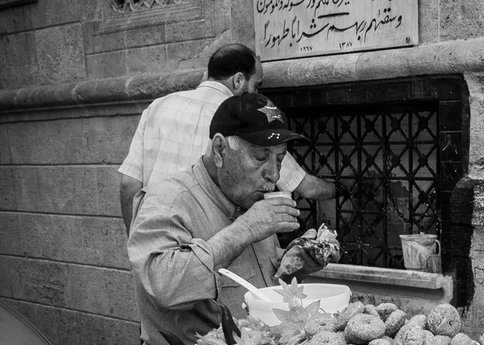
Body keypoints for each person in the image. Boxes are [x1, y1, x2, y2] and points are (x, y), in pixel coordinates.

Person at [127, 93, 303, 345]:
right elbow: (162, 285)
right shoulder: (169, 200)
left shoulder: (252, 199)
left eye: (280, 159)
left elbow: (257, 281)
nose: (273, 174)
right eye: (260, 157)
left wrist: (298, 259)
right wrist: (245, 230)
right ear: (220, 150)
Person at [118, 43, 335, 232]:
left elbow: (129, 184)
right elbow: (305, 187)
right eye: (256, 85)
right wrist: (344, 189)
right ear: (239, 80)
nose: (257, 94)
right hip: (211, 246)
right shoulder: (240, 121)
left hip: (156, 241)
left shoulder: (158, 107)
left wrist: (139, 249)